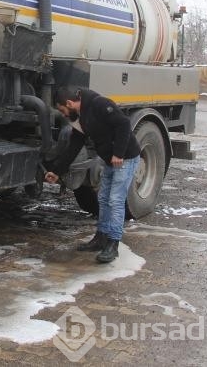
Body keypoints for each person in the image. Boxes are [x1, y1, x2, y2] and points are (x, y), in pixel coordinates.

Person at [44, 87, 141, 263]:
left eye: (62, 110)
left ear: (69, 103)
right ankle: (100, 238)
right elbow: (74, 146)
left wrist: (118, 153)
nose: (63, 114)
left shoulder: (99, 104)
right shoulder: (79, 118)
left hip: (125, 158)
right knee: (103, 198)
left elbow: (124, 124)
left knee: (115, 200)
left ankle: (113, 244)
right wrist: (57, 171)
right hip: (111, 160)